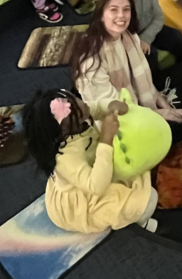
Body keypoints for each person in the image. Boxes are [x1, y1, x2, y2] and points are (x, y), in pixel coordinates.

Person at [23, 90, 159, 234]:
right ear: (64, 128)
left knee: (140, 163)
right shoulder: (66, 158)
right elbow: (96, 186)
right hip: (84, 200)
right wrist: (106, 140)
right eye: (76, 110)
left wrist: (113, 106)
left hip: (94, 171)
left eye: (75, 99)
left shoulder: (79, 113)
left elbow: (98, 107)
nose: (83, 105)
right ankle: (138, 222)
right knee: (149, 199)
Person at [71, 0, 182, 125]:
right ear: (101, 16)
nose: (121, 15)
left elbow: (148, 84)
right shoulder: (91, 59)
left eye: (126, 9)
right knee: (178, 124)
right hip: (119, 123)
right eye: (114, 10)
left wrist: (163, 104)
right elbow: (113, 109)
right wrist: (160, 113)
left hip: (139, 102)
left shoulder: (129, 36)